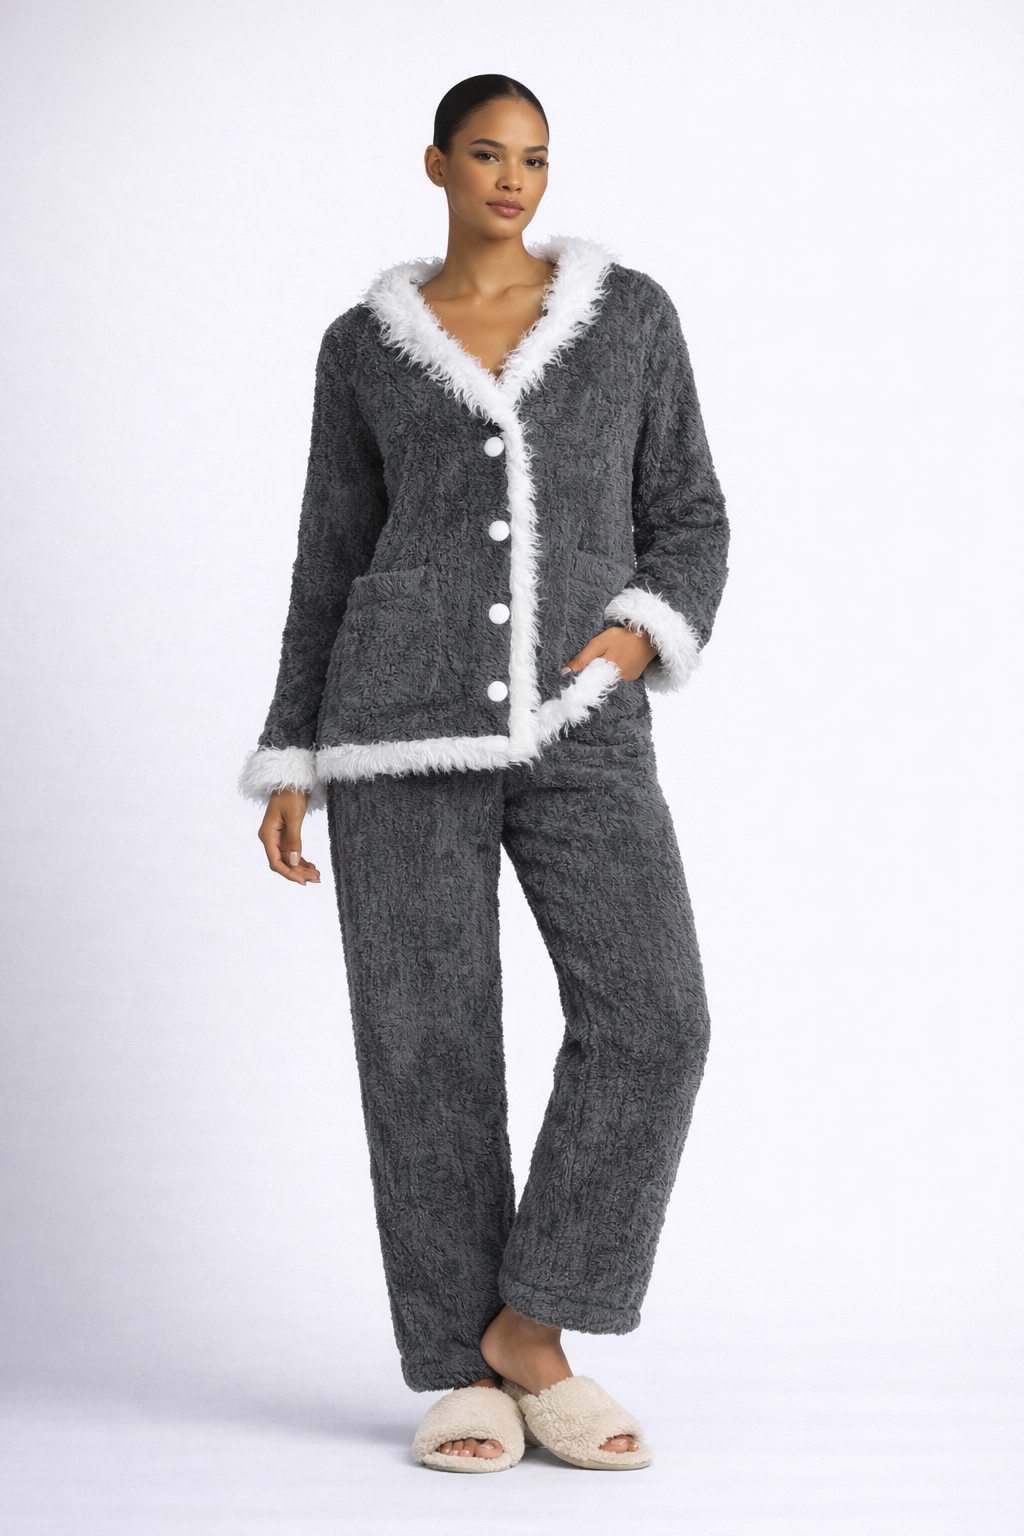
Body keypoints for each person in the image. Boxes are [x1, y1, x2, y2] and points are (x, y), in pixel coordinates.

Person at [241, 74, 729, 1473]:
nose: (514, 179)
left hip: (583, 724)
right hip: (391, 729)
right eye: (488, 154)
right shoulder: (364, 347)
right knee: (424, 1049)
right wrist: (294, 750)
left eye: (535, 158)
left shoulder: (629, 318)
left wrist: (632, 642)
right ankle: (462, 1370)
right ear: (439, 165)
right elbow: (331, 553)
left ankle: (533, 1326)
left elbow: (691, 516)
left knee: (657, 1019)